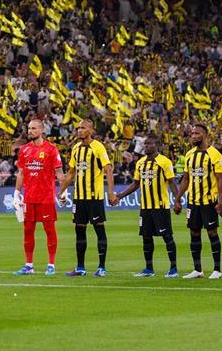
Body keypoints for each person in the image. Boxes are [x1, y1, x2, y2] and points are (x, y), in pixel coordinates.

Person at [114, 133, 179, 277]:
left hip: (160, 206)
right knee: (146, 237)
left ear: (158, 146)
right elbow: (135, 184)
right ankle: (149, 269)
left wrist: (178, 200)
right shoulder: (140, 163)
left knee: (167, 236)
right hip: (145, 207)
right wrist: (120, 195)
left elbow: (172, 182)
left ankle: (173, 268)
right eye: (145, 144)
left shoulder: (164, 162)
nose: (146, 146)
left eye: (150, 144)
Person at [57, 118, 114, 277]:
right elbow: (71, 173)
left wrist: (110, 192)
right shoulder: (76, 148)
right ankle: (80, 267)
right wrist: (61, 191)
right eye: (78, 128)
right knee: (79, 231)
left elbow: (108, 169)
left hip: (94, 197)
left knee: (99, 230)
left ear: (91, 130)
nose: (79, 130)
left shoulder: (98, 148)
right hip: (79, 198)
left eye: (83, 128)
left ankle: (101, 267)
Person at [173, 123, 222, 279]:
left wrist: (221, 202)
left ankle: (217, 269)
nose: (193, 136)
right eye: (192, 134)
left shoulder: (214, 154)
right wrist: (177, 199)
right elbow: (186, 179)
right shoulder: (189, 155)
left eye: (196, 133)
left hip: (209, 201)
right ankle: (198, 270)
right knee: (194, 232)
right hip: (193, 201)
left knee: (212, 233)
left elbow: (220, 180)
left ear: (205, 134)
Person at [13, 118, 63, 276]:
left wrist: (63, 192)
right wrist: (16, 194)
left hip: (46, 198)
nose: (30, 131)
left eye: (34, 128)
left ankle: (51, 265)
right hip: (29, 198)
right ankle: (29, 265)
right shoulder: (24, 150)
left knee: (49, 230)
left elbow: (59, 172)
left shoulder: (51, 149)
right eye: (29, 128)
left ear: (42, 130)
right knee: (28, 230)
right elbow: (21, 173)